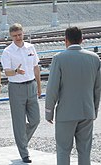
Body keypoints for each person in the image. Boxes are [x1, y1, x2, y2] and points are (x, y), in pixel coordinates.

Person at [45, 27, 101, 165]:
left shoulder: (59, 58)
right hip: (87, 111)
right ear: (82, 40)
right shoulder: (94, 59)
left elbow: (52, 88)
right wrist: (94, 110)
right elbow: (97, 88)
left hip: (66, 113)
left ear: (66, 40)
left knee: (63, 150)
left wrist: (49, 112)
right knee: (85, 151)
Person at [1, 23, 41, 163]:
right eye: (14, 36)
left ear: (23, 33)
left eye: (19, 34)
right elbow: (6, 72)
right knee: (19, 122)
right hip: (16, 88)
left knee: (35, 119)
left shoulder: (31, 47)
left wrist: (39, 86)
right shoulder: (7, 51)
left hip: (31, 86)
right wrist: (16, 71)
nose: (18, 37)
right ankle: (24, 152)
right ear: (11, 36)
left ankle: (22, 141)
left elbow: (36, 67)